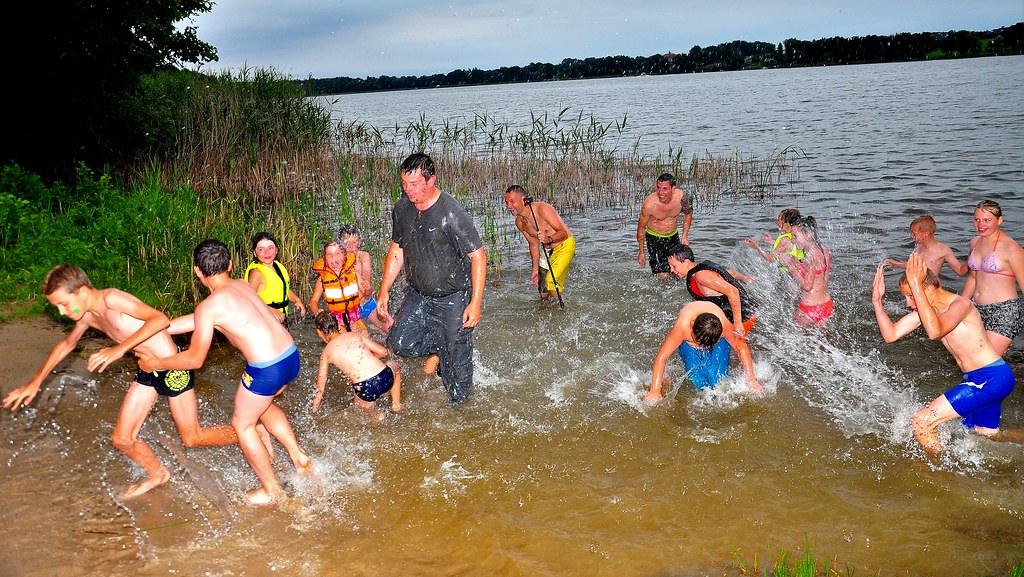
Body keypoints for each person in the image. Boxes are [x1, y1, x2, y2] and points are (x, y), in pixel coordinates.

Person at [1, 265, 238, 498]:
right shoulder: (87, 315)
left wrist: (118, 350)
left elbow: (160, 320)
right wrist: (35, 382)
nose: (62, 312)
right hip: (147, 370)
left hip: (171, 366)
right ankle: (158, 475)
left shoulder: (111, 299)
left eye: (63, 304)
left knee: (192, 437)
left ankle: (247, 433)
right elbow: (67, 345)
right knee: (123, 439)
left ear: (82, 291)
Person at [138, 240, 311, 505]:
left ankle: (271, 491)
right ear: (230, 265)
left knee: (242, 424)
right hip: (290, 355)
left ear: (197, 271)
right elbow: (205, 319)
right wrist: (162, 327)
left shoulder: (209, 307)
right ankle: (298, 457)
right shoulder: (241, 284)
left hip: (267, 368)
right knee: (260, 406)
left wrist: (156, 364)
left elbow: (195, 359)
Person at [872, 254, 1020, 458]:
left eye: (911, 295)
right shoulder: (928, 311)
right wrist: (877, 301)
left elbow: (935, 331)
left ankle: (938, 470)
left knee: (922, 421)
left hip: (991, 378)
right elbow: (891, 335)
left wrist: (916, 284)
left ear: (929, 288)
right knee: (987, 435)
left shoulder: (960, 305)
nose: (908, 303)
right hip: (979, 379)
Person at [376, 153, 486, 404]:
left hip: (454, 296)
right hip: (418, 293)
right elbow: (397, 250)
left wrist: (475, 303)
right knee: (399, 342)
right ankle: (443, 346)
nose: (408, 189)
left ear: (431, 180)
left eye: (414, 184)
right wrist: (384, 290)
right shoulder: (402, 209)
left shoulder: (452, 213)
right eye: (404, 183)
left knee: (457, 368)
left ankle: (462, 410)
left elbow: (478, 256)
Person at [644, 300, 763, 404]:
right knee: (698, 383)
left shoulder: (723, 326)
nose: (702, 347)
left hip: (715, 338)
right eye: (698, 342)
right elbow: (662, 357)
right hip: (691, 344)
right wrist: (654, 392)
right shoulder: (682, 328)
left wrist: (751, 380)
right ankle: (670, 378)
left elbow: (741, 347)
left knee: (719, 382)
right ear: (691, 326)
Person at [960, 200, 1024, 356]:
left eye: (987, 220)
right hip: (976, 309)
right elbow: (974, 277)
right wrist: (961, 304)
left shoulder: (1011, 248)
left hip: (1005, 311)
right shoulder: (975, 243)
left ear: (999, 220)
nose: (980, 224)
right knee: (969, 357)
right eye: (977, 219)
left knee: (984, 360)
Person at [312, 311, 403, 416]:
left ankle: (377, 416)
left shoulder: (326, 353)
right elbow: (383, 352)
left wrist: (314, 409)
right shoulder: (354, 335)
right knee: (393, 364)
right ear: (337, 323)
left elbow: (320, 389)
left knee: (358, 406)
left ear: (319, 332)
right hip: (385, 378)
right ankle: (396, 404)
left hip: (365, 388)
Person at [665, 243, 757, 338]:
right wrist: (744, 278)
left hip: (744, 316)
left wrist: (737, 324)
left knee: (735, 346)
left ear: (686, 262)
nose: (671, 270)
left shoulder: (701, 276)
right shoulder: (700, 268)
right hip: (743, 311)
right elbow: (729, 273)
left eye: (674, 266)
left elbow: (733, 292)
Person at [504, 185, 576, 301]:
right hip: (547, 251)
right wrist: (535, 270)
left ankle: (563, 312)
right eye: (506, 202)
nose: (509, 206)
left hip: (564, 246)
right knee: (543, 293)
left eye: (512, 202)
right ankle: (544, 314)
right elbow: (533, 244)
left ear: (524, 200)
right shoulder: (519, 222)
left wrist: (548, 239)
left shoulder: (542, 209)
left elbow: (563, 233)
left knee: (551, 282)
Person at [636, 173, 694, 278]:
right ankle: (662, 293)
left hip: (673, 236)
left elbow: (688, 214)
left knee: (679, 271)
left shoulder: (681, 197)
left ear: (673, 188)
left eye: (665, 189)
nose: (660, 193)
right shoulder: (649, 205)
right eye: (658, 188)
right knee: (663, 275)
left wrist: (684, 236)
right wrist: (641, 252)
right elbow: (641, 227)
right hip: (655, 239)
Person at [245, 231, 306, 324]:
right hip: (263, 321)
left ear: (276, 250)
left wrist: (296, 300)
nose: (267, 252)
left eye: (270, 248)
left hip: (279, 319)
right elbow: (248, 300)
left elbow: (283, 289)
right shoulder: (256, 274)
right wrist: (270, 310)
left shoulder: (277, 266)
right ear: (254, 253)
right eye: (261, 249)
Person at [782, 216, 834, 327]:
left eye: (795, 236)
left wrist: (790, 266)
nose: (793, 240)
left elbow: (807, 286)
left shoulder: (811, 256)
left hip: (809, 308)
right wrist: (796, 262)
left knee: (794, 337)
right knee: (822, 341)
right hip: (826, 305)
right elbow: (817, 274)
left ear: (808, 235)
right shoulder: (823, 250)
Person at [338, 224, 391, 332]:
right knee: (358, 341)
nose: (350, 246)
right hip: (348, 309)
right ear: (340, 244)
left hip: (366, 303)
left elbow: (366, 282)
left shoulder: (363, 256)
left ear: (359, 243)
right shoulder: (337, 261)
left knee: (391, 328)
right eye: (346, 243)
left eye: (354, 242)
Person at [309, 237, 366, 333]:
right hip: (336, 321)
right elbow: (313, 301)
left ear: (344, 256)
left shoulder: (354, 273)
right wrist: (317, 312)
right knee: (343, 343)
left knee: (365, 343)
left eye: (337, 254)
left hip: (354, 318)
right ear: (325, 258)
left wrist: (368, 289)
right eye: (329, 255)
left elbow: (366, 292)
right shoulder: (323, 279)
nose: (333, 258)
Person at [883, 214, 968, 278]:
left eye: (914, 233)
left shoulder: (942, 249)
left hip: (931, 289)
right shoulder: (919, 246)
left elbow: (960, 271)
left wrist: (971, 260)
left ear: (926, 233)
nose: (911, 236)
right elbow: (916, 265)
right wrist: (896, 264)